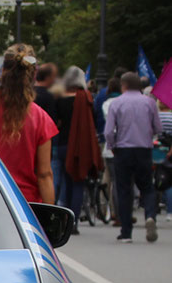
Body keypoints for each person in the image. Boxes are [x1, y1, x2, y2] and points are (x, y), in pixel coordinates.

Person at [0, 44, 57, 204]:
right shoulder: (41, 118)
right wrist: (52, 220)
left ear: (3, 70)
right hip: (23, 207)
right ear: (33, 74)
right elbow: (44, 175)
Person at [105, 72, 162, 242]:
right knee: (147, 187)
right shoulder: (150, 103)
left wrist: (112, 145)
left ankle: (126, 231)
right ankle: (150, 215)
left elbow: (108, 131)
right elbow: (158, 128)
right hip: (144, 149)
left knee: (124, 189)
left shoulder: (117, 103)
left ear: (124, 85)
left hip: (123, 150)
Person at [55, 66, 102, 233]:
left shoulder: (59, 98)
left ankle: (63, 219)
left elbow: (56, 122)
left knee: (64, 184)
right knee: (78, 184)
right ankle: (73, 221)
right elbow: (93, 123)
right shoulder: (86, 98)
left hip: (62, 145)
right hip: (80, 146)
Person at [100, 77, 123, 224]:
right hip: (120, 146)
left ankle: (103, 208)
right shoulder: (122, 103)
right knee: (118, 181)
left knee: (107, 178)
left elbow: (107, 129)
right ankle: (118, 212)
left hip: (108, 147)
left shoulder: (106, 104)